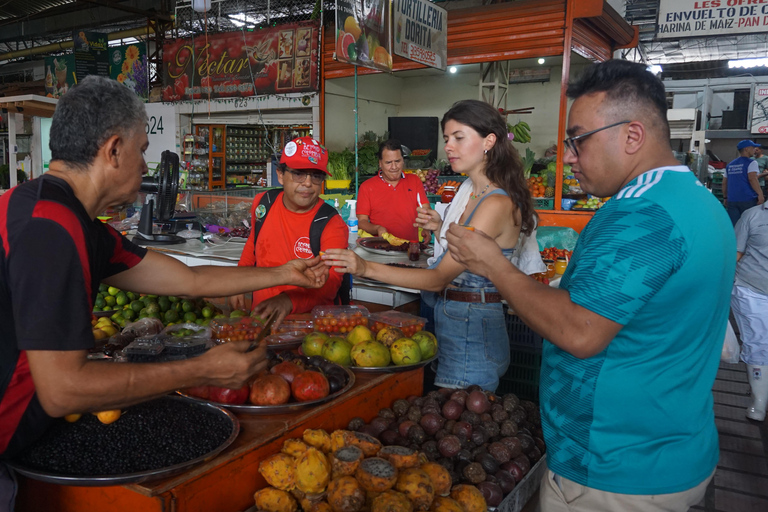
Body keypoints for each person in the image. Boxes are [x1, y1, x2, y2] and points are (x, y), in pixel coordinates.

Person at [0, 76, 326, 506]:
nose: (146, 167)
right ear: (114, 150)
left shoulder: (54, 212)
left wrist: (285, 272)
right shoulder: (51, 230)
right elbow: (64, 390)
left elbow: (188, 281)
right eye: (143, 151)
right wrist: (203, 370)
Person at [445, 60, 735, 511]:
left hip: (613, 471)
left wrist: (494, 266)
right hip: (669, 446)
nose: (568, 156)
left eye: (578, 140)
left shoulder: (641, 212)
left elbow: (580, 331)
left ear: (632, 136)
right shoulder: (697, 199)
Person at [325, 100, 537, 391]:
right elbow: (464, 258)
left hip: (471, 335)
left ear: (489, 141)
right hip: (457, 326)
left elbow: (438, 279)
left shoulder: (494, 203)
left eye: (459, 138)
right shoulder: (472, 193)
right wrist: (439, 228)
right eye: (447, 138)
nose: (449, 146)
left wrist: (364, 267)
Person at [229, 136, 348, 326]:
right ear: (280, 175)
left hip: (309, 327)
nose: (308, 183)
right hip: (262, 318)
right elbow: (253, 245)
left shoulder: (331, 223)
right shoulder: (263, 203)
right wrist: (237, 282)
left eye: (316, 176)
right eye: (299, 174)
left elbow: (331, 282)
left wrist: (288, 300)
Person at [731, 201, 768, 422]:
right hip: (751, 290)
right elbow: (736, 252)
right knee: (758, 342)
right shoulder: (752, 216)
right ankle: (759, 401)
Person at [356, 139, 430, 242]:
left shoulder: (414, 181)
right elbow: (361, 221)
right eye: (388, 162)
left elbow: (425, 209)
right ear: (380, 163)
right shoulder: (367, 187)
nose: (394, 167)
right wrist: (377, 228)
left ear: (403, 161)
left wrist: (426, 228)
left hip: (410, 248)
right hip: (380, 248)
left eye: (397, 161)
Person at [723, 139, 764, 225]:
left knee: (735, 225)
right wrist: (760, 194)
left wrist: (725, 197)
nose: (755, 150)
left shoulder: (730, 165)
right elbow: (752, 179)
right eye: (753, 147)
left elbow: (724, 182)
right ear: (746, 149)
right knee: (748, 225)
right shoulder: (751, 163)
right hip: (748, 199)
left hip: (732, 200)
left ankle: (735, 239)